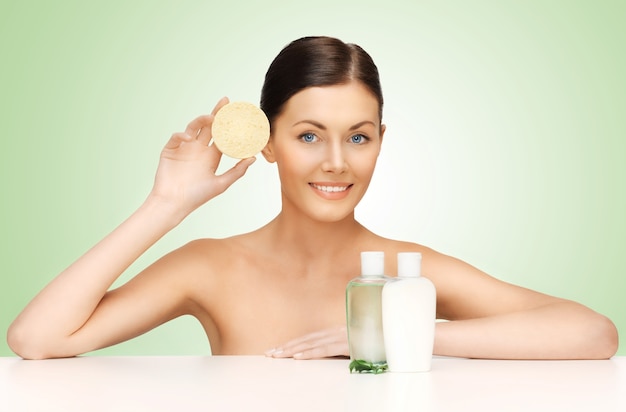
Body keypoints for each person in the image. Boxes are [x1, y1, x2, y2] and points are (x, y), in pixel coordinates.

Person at [7, 36, 618, 360]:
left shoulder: (404, 274)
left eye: (358, 136)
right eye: (307, 136)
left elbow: (591, 335)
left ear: (381, 142)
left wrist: (400, 335)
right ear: (266, 143)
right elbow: (39, 340)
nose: (335, 161)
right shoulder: (211, 267)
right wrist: (167, 203)